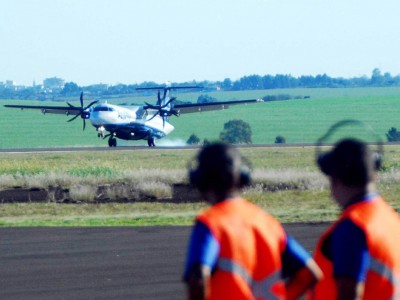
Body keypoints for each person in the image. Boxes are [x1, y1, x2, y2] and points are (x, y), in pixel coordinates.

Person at [183, 142, 322, 300]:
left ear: (200, 180)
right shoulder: (267, 223)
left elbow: (198, 277)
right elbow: (310, 274)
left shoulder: (211, 223)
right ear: (242, 178)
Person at [308, 138, 400, 300]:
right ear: (374, 175)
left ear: (335, 180)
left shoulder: (353, 227)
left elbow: (350, 293)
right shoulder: (392, 220)